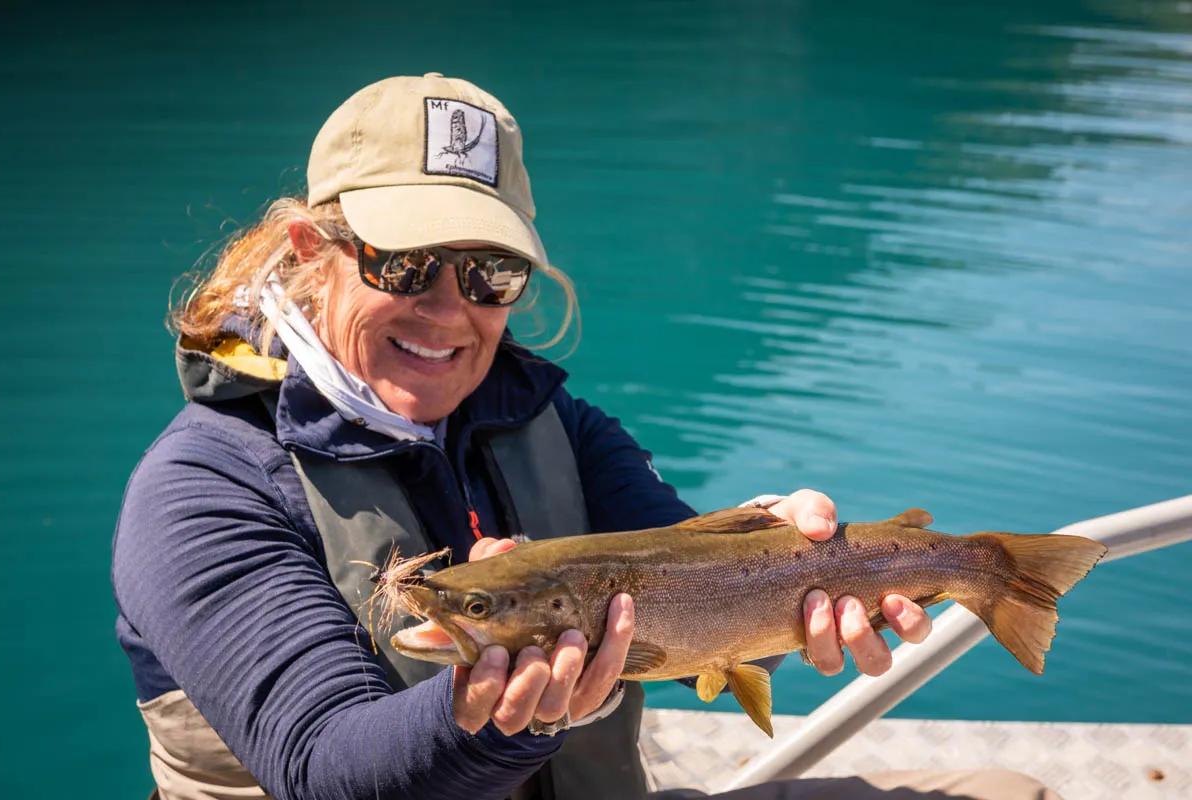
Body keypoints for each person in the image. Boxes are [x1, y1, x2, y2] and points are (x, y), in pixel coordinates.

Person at [111, 74, 1052, 800]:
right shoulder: (201, 488)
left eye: (488, 274)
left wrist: (787, 553)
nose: (447, 312)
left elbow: (707, 604)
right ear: (316, 253)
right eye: (404, 263)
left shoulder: (551, 424)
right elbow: (325, 767)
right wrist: (499, 716)